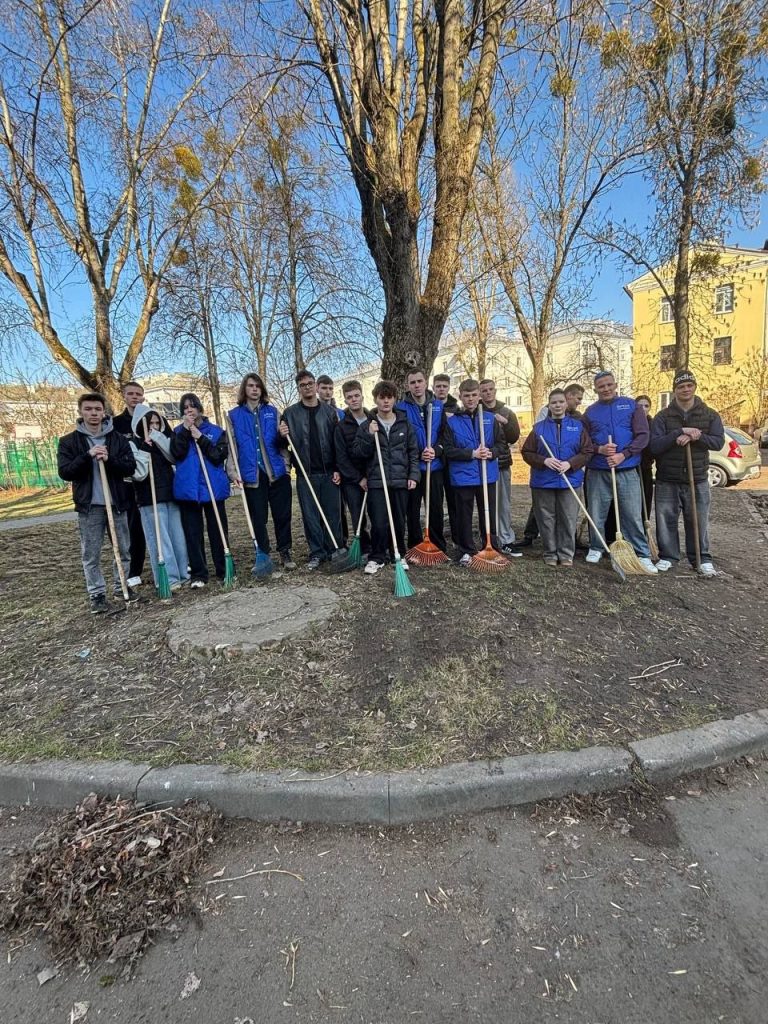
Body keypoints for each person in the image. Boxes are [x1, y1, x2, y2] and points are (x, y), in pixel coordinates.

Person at [57, 392, 137, 613]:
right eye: (88, 409)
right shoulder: (69, 441)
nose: (93, 413)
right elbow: (65, 472)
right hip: (89, 506)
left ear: (104, 412)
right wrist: (87, 456)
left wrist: (109, 459)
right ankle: (97, 595)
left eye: (97, 409)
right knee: (91, 553)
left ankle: (122, 587)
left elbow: (130, 467)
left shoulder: (118, 439)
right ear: (81, 412)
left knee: (123, 549)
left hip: (117, 503)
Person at [581, 370, 657, 573]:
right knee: (597, 512)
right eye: (601, 386)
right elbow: (584, 441)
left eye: (609, 385)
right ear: (595, 389)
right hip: (598, 469)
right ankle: (596, 546)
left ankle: (641, 553)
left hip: (626, 468)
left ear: (615, 385)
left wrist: (624, 454)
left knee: (632, 513)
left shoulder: (631, 406)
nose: (606, 389)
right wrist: (599, 449)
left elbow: (643, 435)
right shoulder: (590, 412)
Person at [650, 370, 724, 576]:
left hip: (697, 478)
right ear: (674, 390)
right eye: (681, 386)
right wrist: (678, 433)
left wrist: (696, 436)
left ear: (695, 387)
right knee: (666, 519)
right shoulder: (663, 417)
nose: (685, 389)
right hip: (667, 478)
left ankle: (701, 558)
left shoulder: (709, 414)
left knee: (698, 520)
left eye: (689, 385)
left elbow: (718, 442)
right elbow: (654, 446)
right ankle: (668, 556)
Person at [228, 372, 295, 572]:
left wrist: (286, 466)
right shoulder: (234, 416)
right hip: (252, 473)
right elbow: (232, 446)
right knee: (258, 517)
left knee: (282, 515)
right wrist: (233, 471)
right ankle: (263, 554)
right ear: (245, 389)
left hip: (276, 471)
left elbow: (282, 442)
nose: (254, 389)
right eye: (250, 386)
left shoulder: (273, 412)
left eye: (258, 386)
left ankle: (285, 551)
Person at [279, 369, 344, 569]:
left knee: (333, 513)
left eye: (310, 383)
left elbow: (337, 443)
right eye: (302, 385)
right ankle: (317, 552)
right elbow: (281, 445)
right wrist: (280, 434)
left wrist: (337, 468)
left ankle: (335, 549)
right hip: (305, 473)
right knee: (310, 516)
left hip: (329, 472)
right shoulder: (290, 413)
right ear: (298, 388)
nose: (307, 387)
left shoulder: (329, 412)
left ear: (315, 386)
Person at [353, 380, 420, 574]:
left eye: (389, 397)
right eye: (381, 398)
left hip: (400, 481)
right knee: (379, 522)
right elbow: (358, 453)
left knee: (398, 521)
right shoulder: (368, 425)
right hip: (377, 482)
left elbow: (413, 452)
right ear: (375, 400)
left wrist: (413, 475)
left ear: (394, 399)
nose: (386, 401)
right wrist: (368, 435)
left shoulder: (404, 424)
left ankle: (398, 554)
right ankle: (377, 557)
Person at [521, 389, 592, 567]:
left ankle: (566, 553)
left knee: (568, 518)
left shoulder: (578, 427)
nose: (558, 405)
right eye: (554, 402)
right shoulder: (538, 429)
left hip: (570, 480)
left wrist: (570, 463)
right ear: (549, 405)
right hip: (543, 481)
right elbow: (527, 452)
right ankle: (550, 552)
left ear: (566, 404)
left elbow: (587, 451)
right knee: (546, 519)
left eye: (561, 402)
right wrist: (544, 460)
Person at [441, 379, 507, 566]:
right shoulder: (452, 422)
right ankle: (466, 550)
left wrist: (491, 452)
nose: (470, 399)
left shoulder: (489, 419)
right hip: (463, 476)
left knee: (488, 513)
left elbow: (501, 444)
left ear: (479, 396)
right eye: (466, 395)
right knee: (464, 515)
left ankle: (490, 547)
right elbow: (448, 450)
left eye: (473, 395)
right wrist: (471, 453)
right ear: (460, 397)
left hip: (487, 474)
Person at [171, 393, 230, 587]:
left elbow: (218, 456)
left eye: (192, 406)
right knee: (193, 534)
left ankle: (224, 569)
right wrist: (186, 432)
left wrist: (200, 438)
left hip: (213, 488)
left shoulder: (216, 431)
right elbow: (176, 453)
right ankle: (199, 574)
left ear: (199, 408)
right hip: (189, 490)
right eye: (185, 407)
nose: (189, 410)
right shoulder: (177, 432)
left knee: (218, 531)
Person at [131, 405, 190, 590]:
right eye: (150, 424)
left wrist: (158, 439)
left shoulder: (163, 440)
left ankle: (183, 573)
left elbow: (173, 457)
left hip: (170, 494)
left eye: (157, 423)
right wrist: (144, 449)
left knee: (178, 538)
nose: (154, 427)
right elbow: (138, 474)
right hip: (149, 498)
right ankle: (168, 579)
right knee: (160, 540)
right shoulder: (133, 444)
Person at [397, 368, 447, 554]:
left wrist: (437, 450)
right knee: (412, 509)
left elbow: (444, 435)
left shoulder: (438, 406)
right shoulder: (401, 408)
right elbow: (400, 439)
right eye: (412, 382)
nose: (416, 385)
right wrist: (419, 454)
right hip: (413, 468)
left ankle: (437, 545)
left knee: (435, 508)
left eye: (419, 381)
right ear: (407, 385)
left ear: (426, 382)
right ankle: (415, 545)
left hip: (434, 466)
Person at [479, 378, 521, 556]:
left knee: (503, 503)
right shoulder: (476, 411)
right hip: (482, 464)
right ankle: (489, 538)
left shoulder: (507, 412)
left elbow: (514, 437)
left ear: (495, 391)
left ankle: (506, 539)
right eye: (484, 390)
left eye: (490, 389)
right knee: (486, 504)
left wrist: (505, 423)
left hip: (501, 463)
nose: (488, 393)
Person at [112, 380, 147, 586]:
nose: (135, 397)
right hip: (126, 482)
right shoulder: (116, 424)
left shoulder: (151, 418)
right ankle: (134, 570)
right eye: (131, 394)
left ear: (143, 397)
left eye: (138, 394)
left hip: (150, 480)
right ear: (124, 396)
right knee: (132, 526)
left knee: (150, 524)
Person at [335, 379, 371, 555]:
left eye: (356, 395)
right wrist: (359, 478)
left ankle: (381, 546)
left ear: (362, 396)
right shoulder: (341, 427)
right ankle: (364, 548)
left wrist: (371, 474)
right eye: (350, 397)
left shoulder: (373, 419)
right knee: (358, 516)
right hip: (353, 480)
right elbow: (341, 458)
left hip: (374, 475)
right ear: (345, 400)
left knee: (378, 514)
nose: (354, 399)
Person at [431, 372, 459, 542]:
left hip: (452, 462)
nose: (441, 389)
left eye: (444, 386)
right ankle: (437, 539)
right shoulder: (429, 406)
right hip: (435, 461)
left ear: (449, 388)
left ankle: (457, 538)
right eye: (438, 386)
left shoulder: (456, 409)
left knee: (454, 501)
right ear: (433, 388)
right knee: (435, 503)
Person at [635, 394, 655, 517]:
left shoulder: (653, 425)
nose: (643, 408)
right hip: (630, 468)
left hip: (645, 468)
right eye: (640, 406)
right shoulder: (629, 423)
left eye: (646, 406)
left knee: (645, 502)